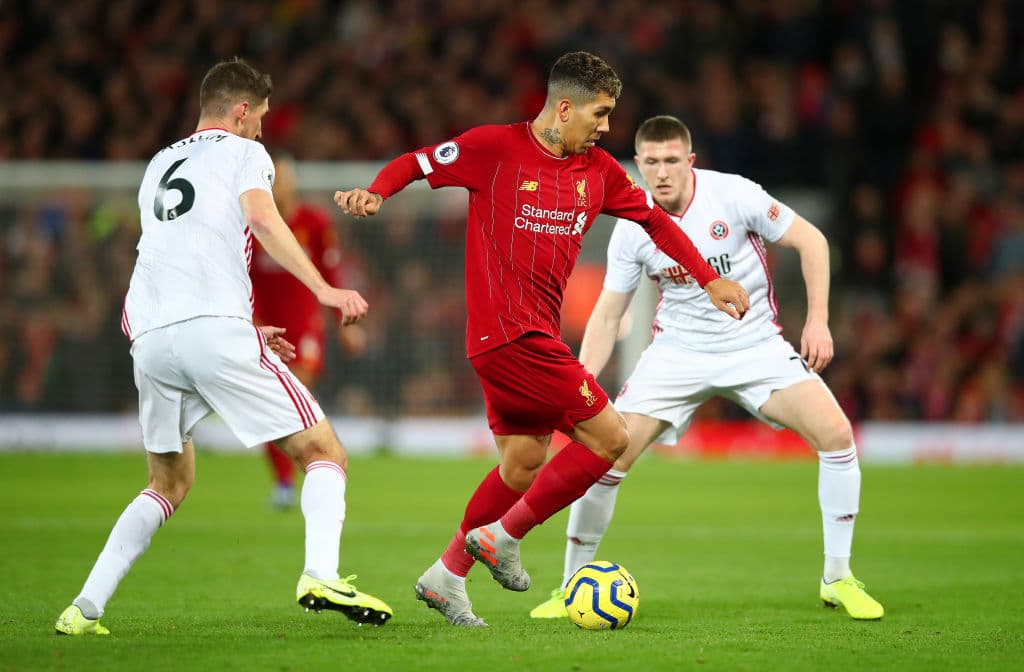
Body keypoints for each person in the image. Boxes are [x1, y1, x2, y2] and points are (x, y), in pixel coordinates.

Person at [335, 52, 750, 627]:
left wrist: (708, 278)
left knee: (523, 463)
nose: (606, 127)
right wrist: (378, 192)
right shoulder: (494, 149)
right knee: (611, 438)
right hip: (512, 336)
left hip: (519, 339)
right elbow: (419, 161)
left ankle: (446, 576)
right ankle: (503, 538)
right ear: (563, 107)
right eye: (600, 114)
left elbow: (655, 222)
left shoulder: (599, 171)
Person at [54, 58, 392, 636]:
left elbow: (176, 252)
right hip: (209, 328)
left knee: (167, 483)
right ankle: (319, 573)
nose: (262, 129)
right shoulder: (244, 153)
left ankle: (83, 609)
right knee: (324, 452)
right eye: (259, 117)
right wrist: (325, 289)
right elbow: (262, 219)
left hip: (151, 336)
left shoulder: (159, 163)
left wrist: (241, 326)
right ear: (240, 112)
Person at [528, 115, 884, 621]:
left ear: (691, 161)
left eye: (672, 161)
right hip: (676, 355)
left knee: (836, 435)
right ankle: (569, 590)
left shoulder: (734, 196)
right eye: (651, 162)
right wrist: (580, 388)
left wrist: (820, 321)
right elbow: (609, 314)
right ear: (639, 165)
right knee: (601, 454)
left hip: (753, 345)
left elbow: (813, 241)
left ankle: (838, 578)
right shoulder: (632, 224)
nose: (662, 172)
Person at [250, 153, 366, 510]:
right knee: (273, 404)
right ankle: (286, 480)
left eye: (284, 178)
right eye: (273, 178)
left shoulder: (314, 222)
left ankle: (307, 468)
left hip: (303, 326)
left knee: (291, 392)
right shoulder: (252, 223)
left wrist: (342, 324)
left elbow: (331, 274)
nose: (279, 185)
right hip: (262, 323)